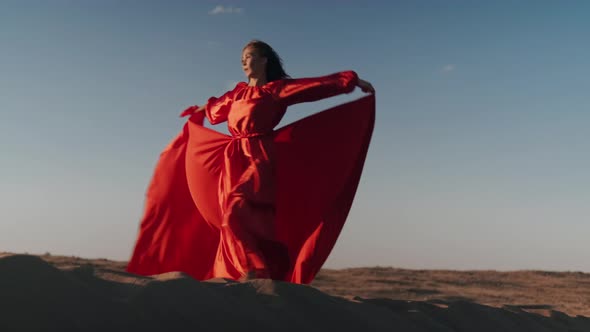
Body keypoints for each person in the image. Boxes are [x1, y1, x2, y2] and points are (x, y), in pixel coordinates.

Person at [127, 40, 376, 284]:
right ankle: (243, 275)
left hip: (258, 157)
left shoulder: (276, 90)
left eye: (249, 56)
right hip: (232, 158)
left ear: (263, 60)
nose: (244, 62)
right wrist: (198, 110)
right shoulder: (237, 93)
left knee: (235, 214)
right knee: (242, 220)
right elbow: (215, 110)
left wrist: (352, 82)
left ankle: (253, 272)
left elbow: (316, 86)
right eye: (242, 59)